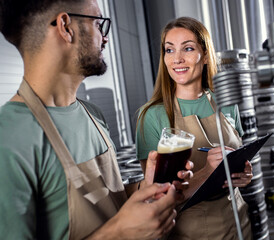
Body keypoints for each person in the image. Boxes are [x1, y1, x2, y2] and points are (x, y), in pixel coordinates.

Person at [0, 0, 193, 239]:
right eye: (98, 23)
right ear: (65, 27)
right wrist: (121, 232)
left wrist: (146, 187)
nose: (105, 38)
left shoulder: (92, 114)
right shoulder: (8, 136)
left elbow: (107, 202)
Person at [136, 17, 253, 240]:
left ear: (206, 55)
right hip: (190, 230)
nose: (177, 59)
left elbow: (240, 159)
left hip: (238, 222)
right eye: (169, 50)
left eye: (187, 48)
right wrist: (209, 172)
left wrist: (246, 174)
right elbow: (155, 197)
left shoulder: (226, 103)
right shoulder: (151, 116)